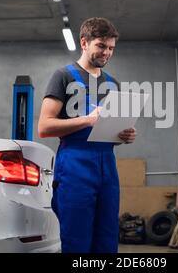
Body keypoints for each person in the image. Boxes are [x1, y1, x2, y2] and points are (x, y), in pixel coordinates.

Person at [38, 17, 136, 253]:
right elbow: (44, 126)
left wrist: (124, 135)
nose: (107, 53)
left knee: (107, 238)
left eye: (111, 48)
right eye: (101, 46)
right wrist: (88, 120)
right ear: (84, 42)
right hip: (74, 164)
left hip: (107, 165)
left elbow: (109, 130)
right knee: (77, 239)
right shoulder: (63, 76)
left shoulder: (113, 84)